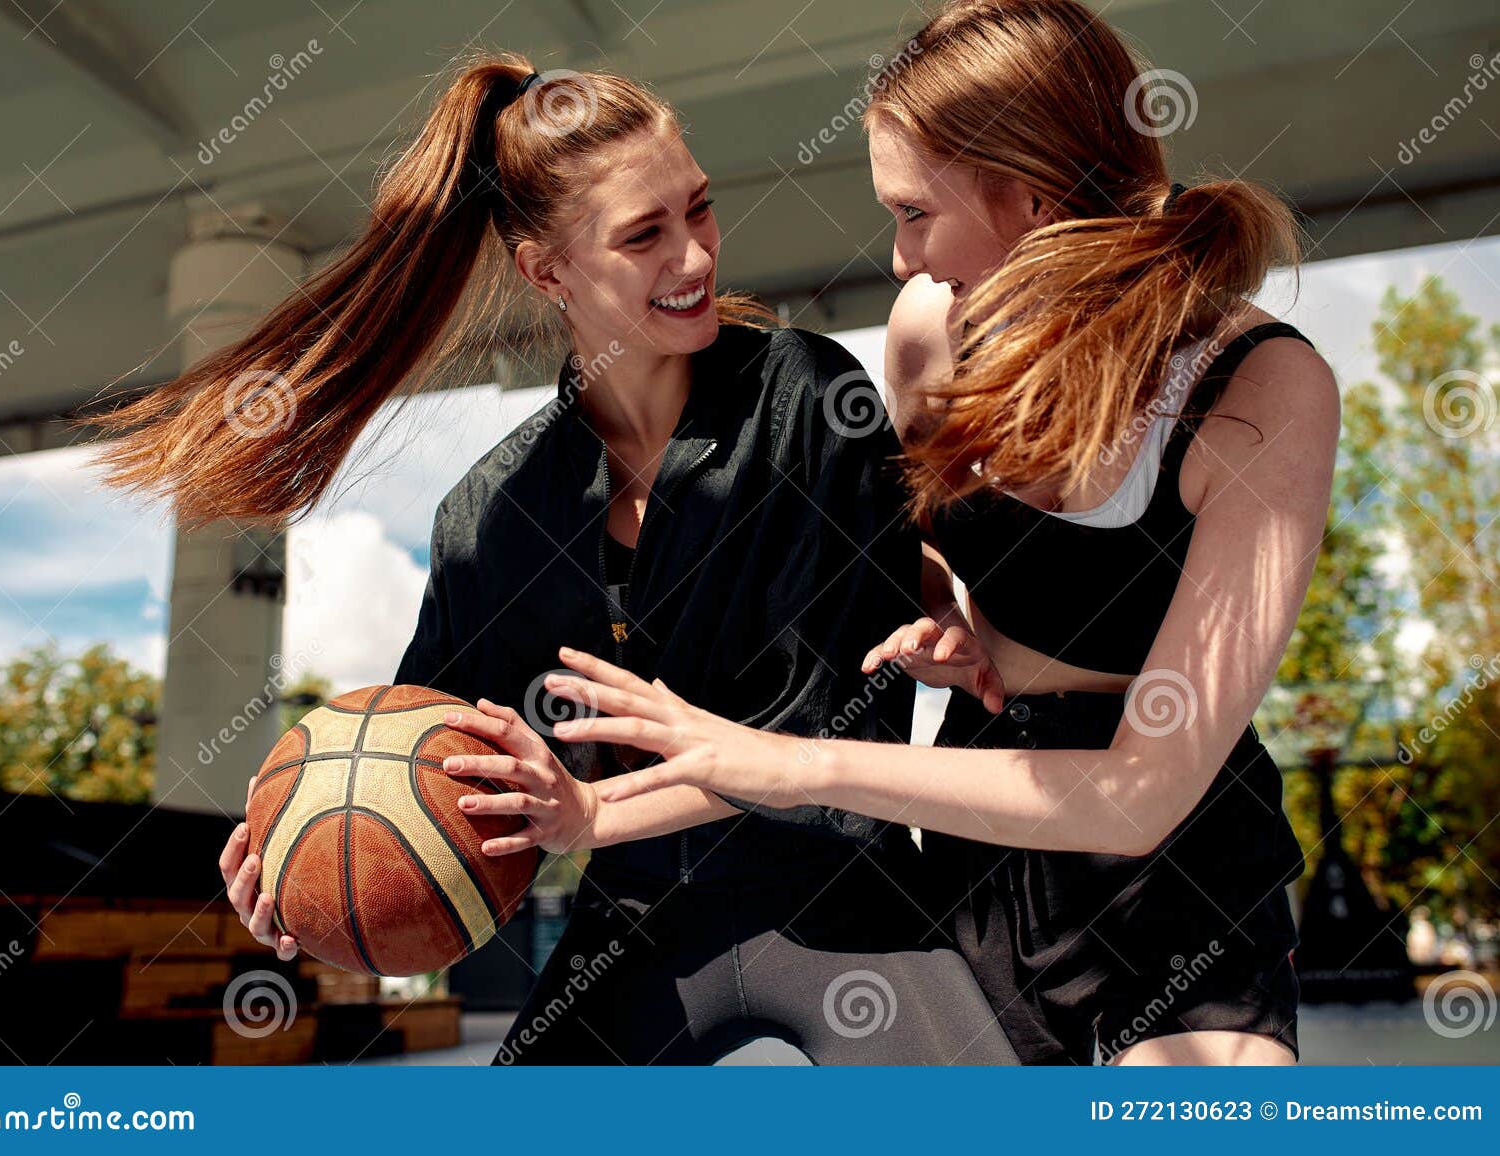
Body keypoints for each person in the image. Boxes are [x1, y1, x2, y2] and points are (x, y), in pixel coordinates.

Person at [83, 53, 1015, 1065]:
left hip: (840, 891)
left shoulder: (806, 402)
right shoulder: (489, 516)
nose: (697, 257)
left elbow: (824, 724)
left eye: (697, 210)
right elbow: (435, 768)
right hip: (635, 920)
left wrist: (588, 811)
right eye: (644, 236)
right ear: (546, 272)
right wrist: (306, 848)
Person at [542, 0, 1340, 1067]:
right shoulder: (930, 331)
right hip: (982, 841)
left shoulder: (1257, 390)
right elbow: (939, 546)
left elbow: (1139, 795)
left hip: (1175, 866)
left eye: (914, 210)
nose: (900, 251)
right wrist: (946, 609)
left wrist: (796, 764)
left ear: (1030, 191)